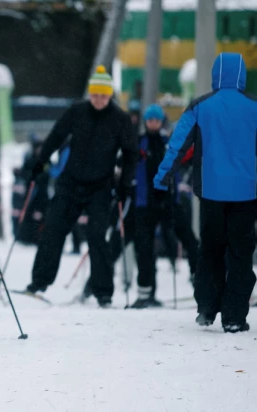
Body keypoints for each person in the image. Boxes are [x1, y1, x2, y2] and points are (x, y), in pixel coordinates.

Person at [154, 52, 257, 332]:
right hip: (248, 194)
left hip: (211, 191)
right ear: (242, 75)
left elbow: (177, 145)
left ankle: (207, 308)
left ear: (215, 75)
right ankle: (234, 317)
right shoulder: (254, 107)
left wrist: (163, 177)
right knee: (241, 254)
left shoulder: (200, 106)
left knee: (210, 248)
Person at [25, 65, 138, 307]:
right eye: (95, 95)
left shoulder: (120, 119)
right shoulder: (77, 111)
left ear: (110, 95)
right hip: (70, 183)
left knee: (97, 236)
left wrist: (124, 184)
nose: (99, 100)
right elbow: (56, 136)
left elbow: (131, 154)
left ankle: (103, 292)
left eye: (104, 96)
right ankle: (39, 282)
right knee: (54, 229)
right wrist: (40, 161)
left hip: (100, 186)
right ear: (90, 94)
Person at [130, 104, 198, 309]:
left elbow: (188, 155)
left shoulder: (170, 142)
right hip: (145, 203)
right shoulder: (139, 143)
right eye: (150, 120)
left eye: (156, 120)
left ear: (162, 122)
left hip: (170, 201)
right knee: (144, 248)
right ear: (146, 122)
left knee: (190, 242)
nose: (153, 123)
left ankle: (201, 281)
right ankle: (145, 292)